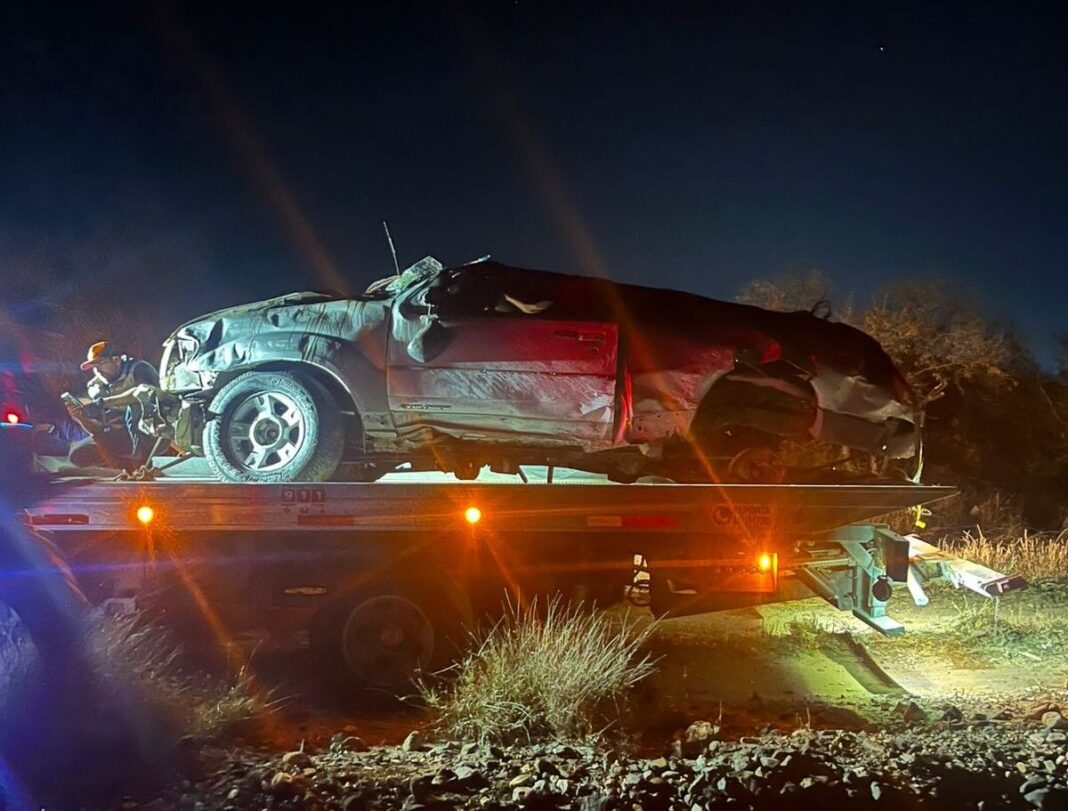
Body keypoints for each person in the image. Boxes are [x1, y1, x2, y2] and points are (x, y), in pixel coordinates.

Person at [64, 341, 160, 471]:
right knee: (78, 454)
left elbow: (144, 394)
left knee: (135, 407)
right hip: (120, 436)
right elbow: (97, 430)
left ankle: (141, 464)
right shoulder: (96, 387)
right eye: (94, 366)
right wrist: (80, 417)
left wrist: (104, 402)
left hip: (153, 431)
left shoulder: (139, 369)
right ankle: (125, 467)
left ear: (116, 360)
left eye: (101, 363)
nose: (98, 370)